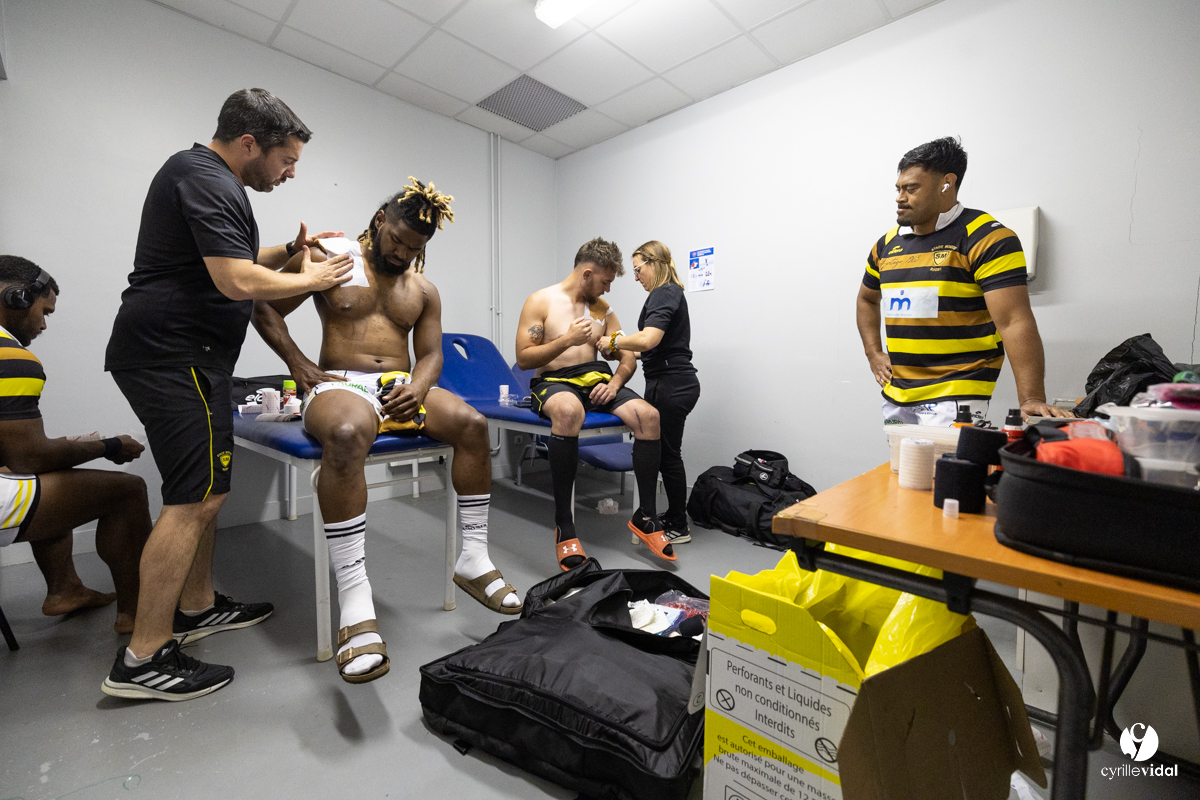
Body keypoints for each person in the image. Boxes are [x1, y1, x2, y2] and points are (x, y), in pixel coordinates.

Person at [102, 88, 353, 702]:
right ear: (250, 145)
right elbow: (235, 277)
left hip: (182, 356)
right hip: (175, 355)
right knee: (192, 502)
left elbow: (237, 257)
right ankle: (142, 658)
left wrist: (292, 254)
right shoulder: (205, 176)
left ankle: (196, 606)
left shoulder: (211, 180)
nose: (290, 173)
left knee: (203, 495)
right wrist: (315, 276)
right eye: (286, 160)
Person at [252, 178, 522, 684]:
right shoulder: (331, 255)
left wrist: (420, 386)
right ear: (380, 221)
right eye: (397, 240)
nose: (402, 253)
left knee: (472, 424)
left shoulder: (422, 289)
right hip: (339, 383)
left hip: (399, 386)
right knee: (350, 434)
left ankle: (473, 557)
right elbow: (264, 305)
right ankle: (355, 602)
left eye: (414, 248)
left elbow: (433, 354)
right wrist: (299, 364)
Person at [855, 137, 1073, 425]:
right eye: (898, 189)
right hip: (898, 393)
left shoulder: (986, 238)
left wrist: (1031, 398)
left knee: (949, 471)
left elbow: (1014, 321)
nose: (899, 197)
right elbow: (867, 299)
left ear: (946, 183)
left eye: (911, 188)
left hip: (956, 393)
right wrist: (873, 353)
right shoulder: (886, 245)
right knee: (901, 471)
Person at [0, 256, 151, 634]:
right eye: (43, 310)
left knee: (56, 476)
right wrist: (110, 445)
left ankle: (65, 590)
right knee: (128, 491)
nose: (44, 323)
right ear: (17, 298)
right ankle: (138, 617)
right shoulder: (11, 357)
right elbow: (29, 456)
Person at [515, 237, 674, 572]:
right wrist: (567, 340)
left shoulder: (603, 310)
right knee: (569, 411)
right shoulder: (541, 301)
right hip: (555, 381)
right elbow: (524, 358)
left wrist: (615, 382)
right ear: (587, 274)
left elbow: (628, 357)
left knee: (649, 416)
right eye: (606, 281)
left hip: (597, 380)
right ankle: (564, 526)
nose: (608, 290)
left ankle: (646, 516)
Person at [606, 242, 699, 545]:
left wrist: (614, 341)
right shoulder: (665, 294)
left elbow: (648, 338)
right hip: (668, 380)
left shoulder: (665, 292)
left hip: (672, 383)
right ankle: (670, 518)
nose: (635, 277)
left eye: (637, 269)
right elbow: (650, 344)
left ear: (653, 263)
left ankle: (677, 524)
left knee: (667, 455)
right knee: (666, 454)